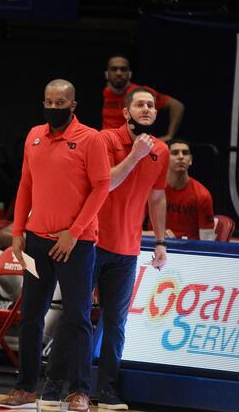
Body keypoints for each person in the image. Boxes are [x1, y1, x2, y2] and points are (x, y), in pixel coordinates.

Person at [0, 79, 110, 411]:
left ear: (73, 105)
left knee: (76, 317)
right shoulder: (34, 136)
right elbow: (26, 184)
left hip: (76, 244)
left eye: (60, 103)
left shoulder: (90, 139)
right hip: (37, 242)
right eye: (48, 102)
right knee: (31, 315)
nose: (53, 108)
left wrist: (73, 232)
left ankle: (79, 390)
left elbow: (101, 188)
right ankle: (25, 388)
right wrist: (18, 231)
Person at [70, 87, 169, 411]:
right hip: (92, 242)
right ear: (126, 112)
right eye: (139, 104)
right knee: (80, 317)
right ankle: (76, 388)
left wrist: (159, 241)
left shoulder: (162, 151)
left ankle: (107, 390)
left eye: (151, 106)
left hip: (127, 249)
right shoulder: (105, 140)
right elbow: (107, 182)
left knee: (115, 322)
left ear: (155, 114)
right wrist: (135, 155)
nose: (146, 109)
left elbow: (156, 197)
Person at [100, 55, 185, 142]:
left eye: (123, 69)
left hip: (131, 143)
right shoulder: (106, 92)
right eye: (114, 69)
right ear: (107, 74)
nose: (119, 73)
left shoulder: (141, 93)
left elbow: (177, 106)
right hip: (106, 141)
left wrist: (169, 135)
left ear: (130, 74)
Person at [163, 139, 216, 241]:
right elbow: (132, 230)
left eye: (185, 153)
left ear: (190, 160)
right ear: (165, 159)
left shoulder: (202, 195)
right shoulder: (153, 190)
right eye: (175, 153)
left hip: (189, 251)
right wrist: (157, 235)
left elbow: (208, 240)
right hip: (155, 247)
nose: (181, 157)